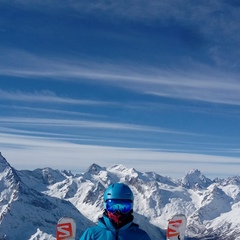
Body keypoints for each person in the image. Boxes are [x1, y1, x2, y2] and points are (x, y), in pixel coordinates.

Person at [80, 182, 151, 240]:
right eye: (112, 206)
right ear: (105, 207)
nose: (118, 211)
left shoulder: (141, 237)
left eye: (124, 207)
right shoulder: (92, 235)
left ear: (131, 207)